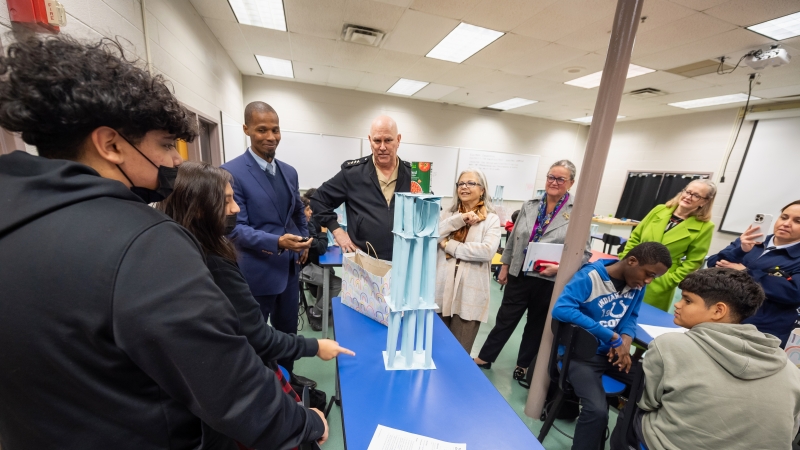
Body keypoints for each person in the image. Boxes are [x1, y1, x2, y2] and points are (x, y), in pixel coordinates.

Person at [0, 36, 326, 449]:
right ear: (111, 144)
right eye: (167, 145)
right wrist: (304, 425)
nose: (176, 161)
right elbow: (227, 383)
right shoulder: (145, 242)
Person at [160, 162, 355, 447]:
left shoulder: (180, 250)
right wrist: (315, 347)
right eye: (227, 201)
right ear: (199, 207)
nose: (236, 209)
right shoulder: (217, 265)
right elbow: (259, 339)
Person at [632, 268, 800, 450]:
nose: (677, 305)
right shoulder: (789, 370)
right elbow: (791, 429)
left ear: (718, 310)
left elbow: (648, 403)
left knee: (633, 413)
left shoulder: (669, 345)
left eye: (687, 300)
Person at [221, 101, 316, 387]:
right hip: (256, 273)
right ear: (247, 129)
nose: (270, 136)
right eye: (262, 129)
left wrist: (304, 240)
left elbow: (298, 212)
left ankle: (287, 380)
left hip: (288, 272)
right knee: (256, 336)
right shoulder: (231, 172)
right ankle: (260, 385)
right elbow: (235, 229)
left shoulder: (289, 172)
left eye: (275, 129)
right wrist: (279, 242)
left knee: (288, 332)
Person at [474, 160, 592, 382]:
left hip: (548, 280)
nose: (553, 182)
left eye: (560, 179)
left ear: (571, 183)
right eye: (550, 177)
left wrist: (559, 268)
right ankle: (485, 357)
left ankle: (523, 364)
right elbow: (513, 240)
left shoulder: (578, 212)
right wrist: (505, 265)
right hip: (520, 273)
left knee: (535, 325)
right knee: (505, 319)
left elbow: (583, 253)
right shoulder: (530, 205)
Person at [551, 242, 672, 450]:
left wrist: (626, 339)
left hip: (610, 354)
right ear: (632, 261)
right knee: (597, 410)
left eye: (654, 278)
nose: (648, 281)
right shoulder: (590, 277)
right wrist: (613, 337)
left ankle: (623, 443)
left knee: (655, 387)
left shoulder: (637, 285)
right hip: (579, 355)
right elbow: (562, 309)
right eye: (649, 274)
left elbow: (631, 316)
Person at [310, 115, 411, 260]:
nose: (382, 147)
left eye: (388, 140)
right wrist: (338, 232)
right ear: (370, 140)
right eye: (377, 140)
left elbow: (428, 214)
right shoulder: (353, 174)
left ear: (398, 140)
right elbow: (318, 200)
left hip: (405, 262)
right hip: (363, 264)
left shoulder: (414, 177)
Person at [707, 200, 800, 346]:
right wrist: (740, 250)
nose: (786, 223)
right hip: (724, 318)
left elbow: (794, 293)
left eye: (797, 221)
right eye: (784, 217)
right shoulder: (752, 240)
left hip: (764, 330)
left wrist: (746, 273)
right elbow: (713, 264)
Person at [618, 179, 716, 311]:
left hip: (659, 280)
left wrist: (669, 280)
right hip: (631, 270)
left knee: (644, 318)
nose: (688, 197)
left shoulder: (705, 227)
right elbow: (635, 237)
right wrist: (625, 260)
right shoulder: (659, 210)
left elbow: (694, 261)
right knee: (615, 310)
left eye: (696, 195)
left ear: (705, 201)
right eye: (688, 191)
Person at [436, 169, 502, 353]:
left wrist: (449, 245)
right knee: (435, 348)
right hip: (442, 287)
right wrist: (459, 219)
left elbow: (486, 251)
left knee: (459, 351)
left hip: (470, 291)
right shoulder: (446, 215)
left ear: (482, 190)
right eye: (461, 183)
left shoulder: (491, 219)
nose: (464, 187)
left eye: (471, 183)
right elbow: (432, 236)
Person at [300, 188, 342, 331]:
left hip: (309, 263)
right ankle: (317, 312)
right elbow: (320, 247)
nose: (311, 212)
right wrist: (323, 233)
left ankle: (320, 310)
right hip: (301, 268)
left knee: (329, 273)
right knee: (335, 283)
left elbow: (318, 245)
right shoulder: (305, 224)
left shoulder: (308, 222)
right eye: (308, 209)